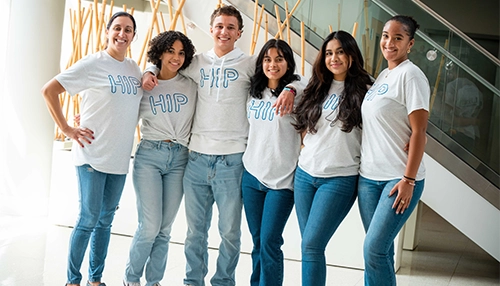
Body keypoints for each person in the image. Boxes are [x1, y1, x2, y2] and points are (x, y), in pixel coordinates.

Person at [141, 5, 297, 286]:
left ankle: (224, 281)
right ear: (211, 29)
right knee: (195, 233)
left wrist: (290, 88)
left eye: (230, 27)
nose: (224, 32)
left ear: (239, 32)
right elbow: (165, 61)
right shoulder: (195, 62)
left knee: (230, 233)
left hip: (234, 161)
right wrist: (150, 69)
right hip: (197, 159)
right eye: (219, 26)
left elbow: (293, 75)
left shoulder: (251, 64)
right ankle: (193, 281)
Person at [41, 12, 142, 286]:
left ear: (133, 35)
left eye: (128, 30)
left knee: (105, 222)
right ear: (107, 31)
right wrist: (67, 128)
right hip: (91, 155)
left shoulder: (134, 68)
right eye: (117, 28)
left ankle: (95, 280)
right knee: (88, 219)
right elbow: (49, 90)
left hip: (119, 158)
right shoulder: (93, 63)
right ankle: (73, 281)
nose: (122, 34)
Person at [292, 30, 373, 286]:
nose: (333, 58)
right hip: (305, 174)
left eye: (339, 52)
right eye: (328, 53)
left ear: (351, 55)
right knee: (309, 247)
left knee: (312, 244)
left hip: (339, 179)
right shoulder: (316, 86)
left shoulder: (367, 90)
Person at [358, 15, 430, 286]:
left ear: (410, 44)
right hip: (368, 179)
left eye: (398, 37)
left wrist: (409, 180)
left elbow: (420, 131)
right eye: (386, 35)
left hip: (398, 180)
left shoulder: (411, 75)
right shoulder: (384, 76)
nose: (389, 42)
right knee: (378, 252)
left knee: (373, 250)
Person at [123, 31, 197, 286]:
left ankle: (153, 281)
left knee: (165, 229)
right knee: (150, 226)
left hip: (180, 158)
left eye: (181, 53)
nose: (176, 58)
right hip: (149, 157)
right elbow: (119, 109)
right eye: (170, 51)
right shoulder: (144, 84)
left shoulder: (191, 84)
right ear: (160, 53)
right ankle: (131, 279)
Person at [242, 39, 304, 286]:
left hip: (282, 180)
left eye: (279, 59)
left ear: (288, 62)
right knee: (257, 240)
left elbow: (306, 82)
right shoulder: (253, 91)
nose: (272, 64)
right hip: (252, 175)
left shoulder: (298, 92)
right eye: (267, 59)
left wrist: (290, 89)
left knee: (269, 241)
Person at [444, 64, 483, 150]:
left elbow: (448, 115)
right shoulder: (476, 89)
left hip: (456, 133)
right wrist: (474, 122)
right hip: (471, 135)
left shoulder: (452, 86)